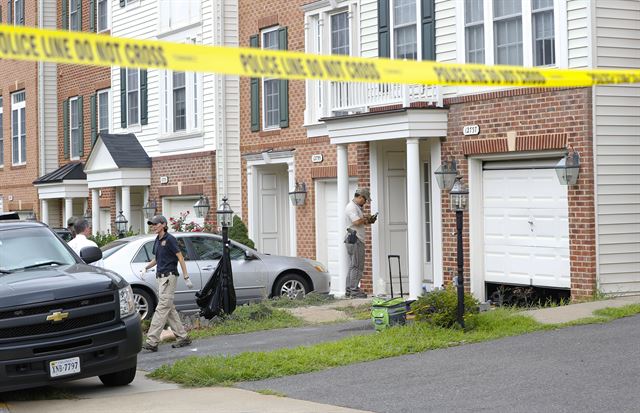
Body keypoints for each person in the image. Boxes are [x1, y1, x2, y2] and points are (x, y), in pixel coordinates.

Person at [141, 215, 193, 352]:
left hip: (169, 277)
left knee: (162, 308)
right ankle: (183, 337)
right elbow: (157, 259)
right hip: (160, 278)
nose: (153, 226)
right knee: (169, 309)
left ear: (163, 225)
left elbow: (180, 258)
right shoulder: (157, 240)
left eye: (156, 224)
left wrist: (186, 276)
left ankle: (152, 341)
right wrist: (146, 267)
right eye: (152, 224)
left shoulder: (170, 239)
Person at [344, 188, 376, 298]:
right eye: (365, 200)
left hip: (353, 238)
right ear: (360, 197)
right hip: (355, 239)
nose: (365, 202)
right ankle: (354, 291)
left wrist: (368, 220)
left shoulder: (356, 207)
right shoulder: (351, 207)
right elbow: (356, 222)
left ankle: (349, 289)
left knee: (353, 266)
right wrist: (365, 217)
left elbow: (359, 222)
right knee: (357, 266)